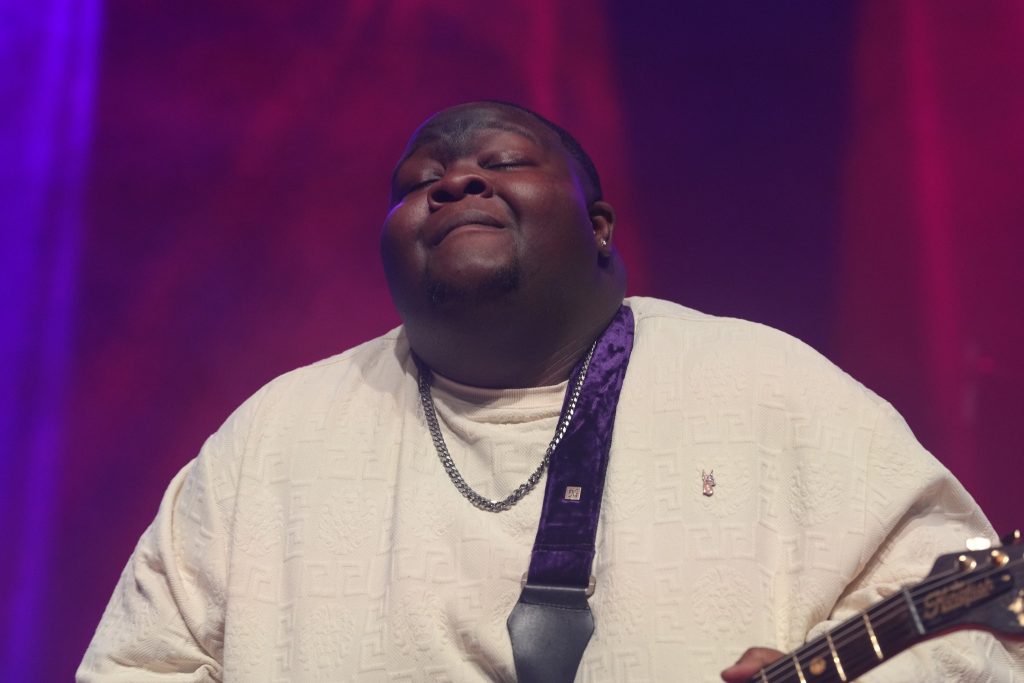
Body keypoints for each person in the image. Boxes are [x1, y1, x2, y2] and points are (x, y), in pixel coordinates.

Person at [78, 101, 1023, 682]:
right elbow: (141, 664)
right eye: (419, 181)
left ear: (599, 225)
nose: (455, 181)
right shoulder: (274, 440)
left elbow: (969, 636)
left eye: (500, 164)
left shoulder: (767, 386)